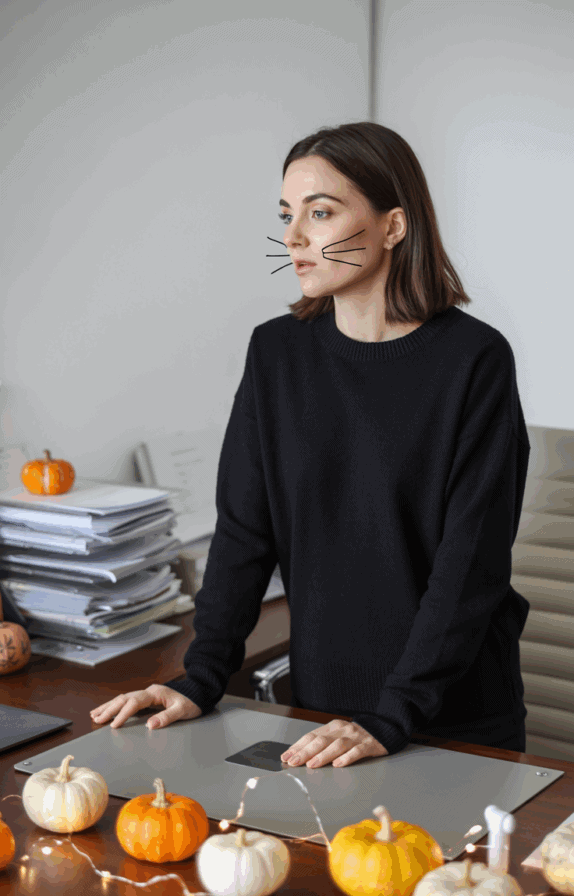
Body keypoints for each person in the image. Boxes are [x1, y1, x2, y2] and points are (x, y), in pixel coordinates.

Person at [90, 121, 530, 765]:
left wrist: (393, 714)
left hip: (453, 711)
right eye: (287, 214)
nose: (293, 237)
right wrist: (202, 676)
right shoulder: (276, 353)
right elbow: (244, 531)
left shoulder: (474, 360)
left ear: (393, 226)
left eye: (320, 213)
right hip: (328, 707)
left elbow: (471, 565)